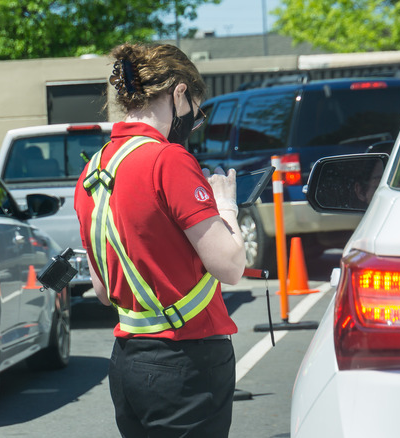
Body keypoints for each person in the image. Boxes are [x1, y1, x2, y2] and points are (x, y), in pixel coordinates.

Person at [74, 42, 246, 437]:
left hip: (128, 362)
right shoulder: (168, 159)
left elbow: (103, 292)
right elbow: (231, 266)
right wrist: (226, 208)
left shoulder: (94, 170)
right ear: (180, 93)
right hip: (187, 360)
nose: (192, 121)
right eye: (195, 110)